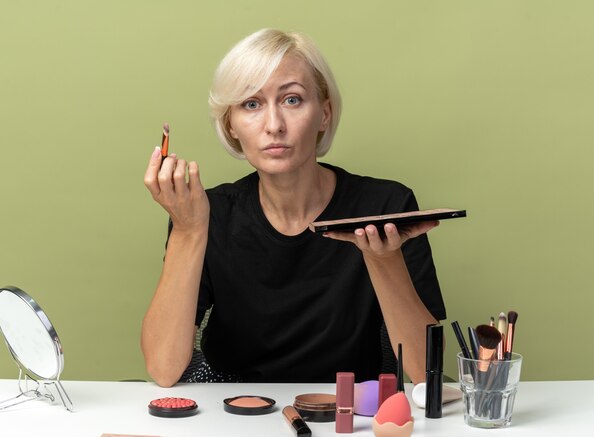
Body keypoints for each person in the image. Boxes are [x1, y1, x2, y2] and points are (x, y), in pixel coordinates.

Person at [142, 29, 446, 387]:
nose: (274, 126)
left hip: (351, 413)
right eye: (251, 105)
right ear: (231, 126)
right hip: (232, 412)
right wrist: (188, 230)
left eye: (292, 100)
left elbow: (427, 373)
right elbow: (163, 369)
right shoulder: (208, 213)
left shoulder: (385, 207)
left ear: (324, 115)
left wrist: (382, 259)